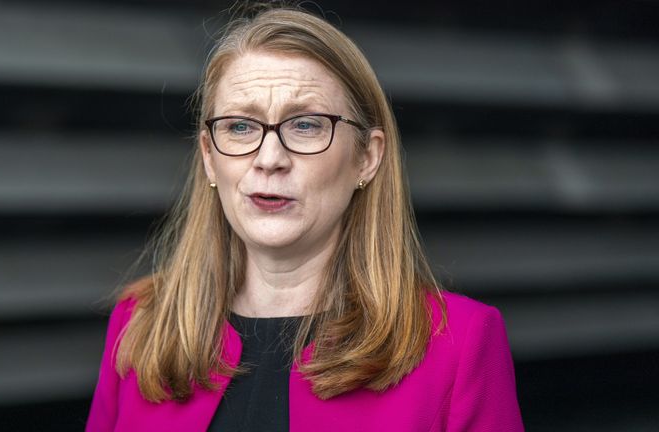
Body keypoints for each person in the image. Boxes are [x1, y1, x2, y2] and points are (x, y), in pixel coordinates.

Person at [86, 5, 524, 431]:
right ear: (208, 156)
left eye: (306, 125)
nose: (269, 158)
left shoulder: (459, 344)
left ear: (366, 158)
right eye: (240, 126)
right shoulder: (138, 325)